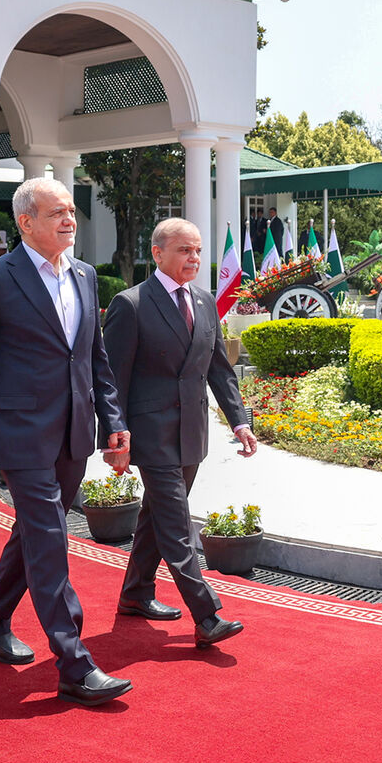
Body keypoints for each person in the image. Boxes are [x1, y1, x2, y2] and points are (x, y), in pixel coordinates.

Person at [0, 177, 134, 708]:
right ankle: (74, 662)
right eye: (57, 213)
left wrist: (113, 421)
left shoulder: (87, 277)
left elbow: (96, 359)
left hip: (73, 430)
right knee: (50, 537)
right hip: (17, 432)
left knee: (31, 533)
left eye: (72, 211)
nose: (70, 220)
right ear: (25, 222)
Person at [102, 218, 257, 647]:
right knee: (176, 525)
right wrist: (114, 438)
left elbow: (219, 371)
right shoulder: (130, 304)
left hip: (192, 434)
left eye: (197, 251)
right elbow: (112, 379)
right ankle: (207, 615)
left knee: (156, 518)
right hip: (150, 435)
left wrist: (239, 421)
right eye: (185, 250)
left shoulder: (205, 301)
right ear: (158, 253)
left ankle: (135, 595)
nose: (194, 258)